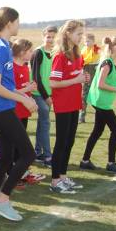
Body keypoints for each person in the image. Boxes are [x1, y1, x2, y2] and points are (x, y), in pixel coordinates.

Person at [0, 7, 37, 222]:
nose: (19, 25)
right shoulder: (1, 49)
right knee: (28, 154)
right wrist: (23, 99)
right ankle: (2, 200)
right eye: (18, 21)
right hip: (0, 109)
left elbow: (4, 83)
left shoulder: (1, 46)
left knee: (5, 157)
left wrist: (22, 96)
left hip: (1, 107)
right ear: (9, 23)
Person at [49, 20, 89, 194]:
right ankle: (55, 181)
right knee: (61, 142)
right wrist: (76, 79)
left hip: (74, 104)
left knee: (69, 141)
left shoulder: (77, 54)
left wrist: (82, 77)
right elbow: (53, 83)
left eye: (82, 33)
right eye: (78, 33)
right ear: (67, 33)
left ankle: (63, 176)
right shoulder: (60, 56)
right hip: (63, 105)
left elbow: (75, 76)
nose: (81, 37)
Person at [79, 36, 116, 172]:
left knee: (98, 130)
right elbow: (101, 84)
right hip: (100, 101)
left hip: (104, 101)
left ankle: (85, 161)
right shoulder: (107, 63)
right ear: (115, 47)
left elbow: (110, 81)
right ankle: (111, 163)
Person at [11, 38, 44, 186]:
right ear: (22, 52)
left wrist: (30, 87)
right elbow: (9, 90)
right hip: (14, 112)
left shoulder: (25, 67)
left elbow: (22, 88)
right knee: (15, 146)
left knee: (20, 145)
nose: (32, 53)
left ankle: (21, 172)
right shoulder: (12, 67)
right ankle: (13, 174)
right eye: (30, 50)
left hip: (24, 111)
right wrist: (27, 89)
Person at [31, 26, 57, 166]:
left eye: (53, 37)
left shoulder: (54, 52)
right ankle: (48, 156)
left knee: (42, 124)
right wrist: (46, 96)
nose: (50, 40)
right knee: (46, 123)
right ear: (43, 37)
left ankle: (37, 152)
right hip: (39, 94)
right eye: (48, 37)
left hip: (49, 94)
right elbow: (36, 77)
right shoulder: (38, 53)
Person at [79, 32, 100, 123]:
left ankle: (99, 116)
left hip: (94, 71)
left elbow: (90, 59)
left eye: (89, 41)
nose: (87, 43)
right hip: (86, 71)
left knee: (96, 95)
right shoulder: (83, 49)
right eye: (85, 41)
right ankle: (82, 116)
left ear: (93, 41)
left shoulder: (96, 49)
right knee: (84, 96)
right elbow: (81, 60)